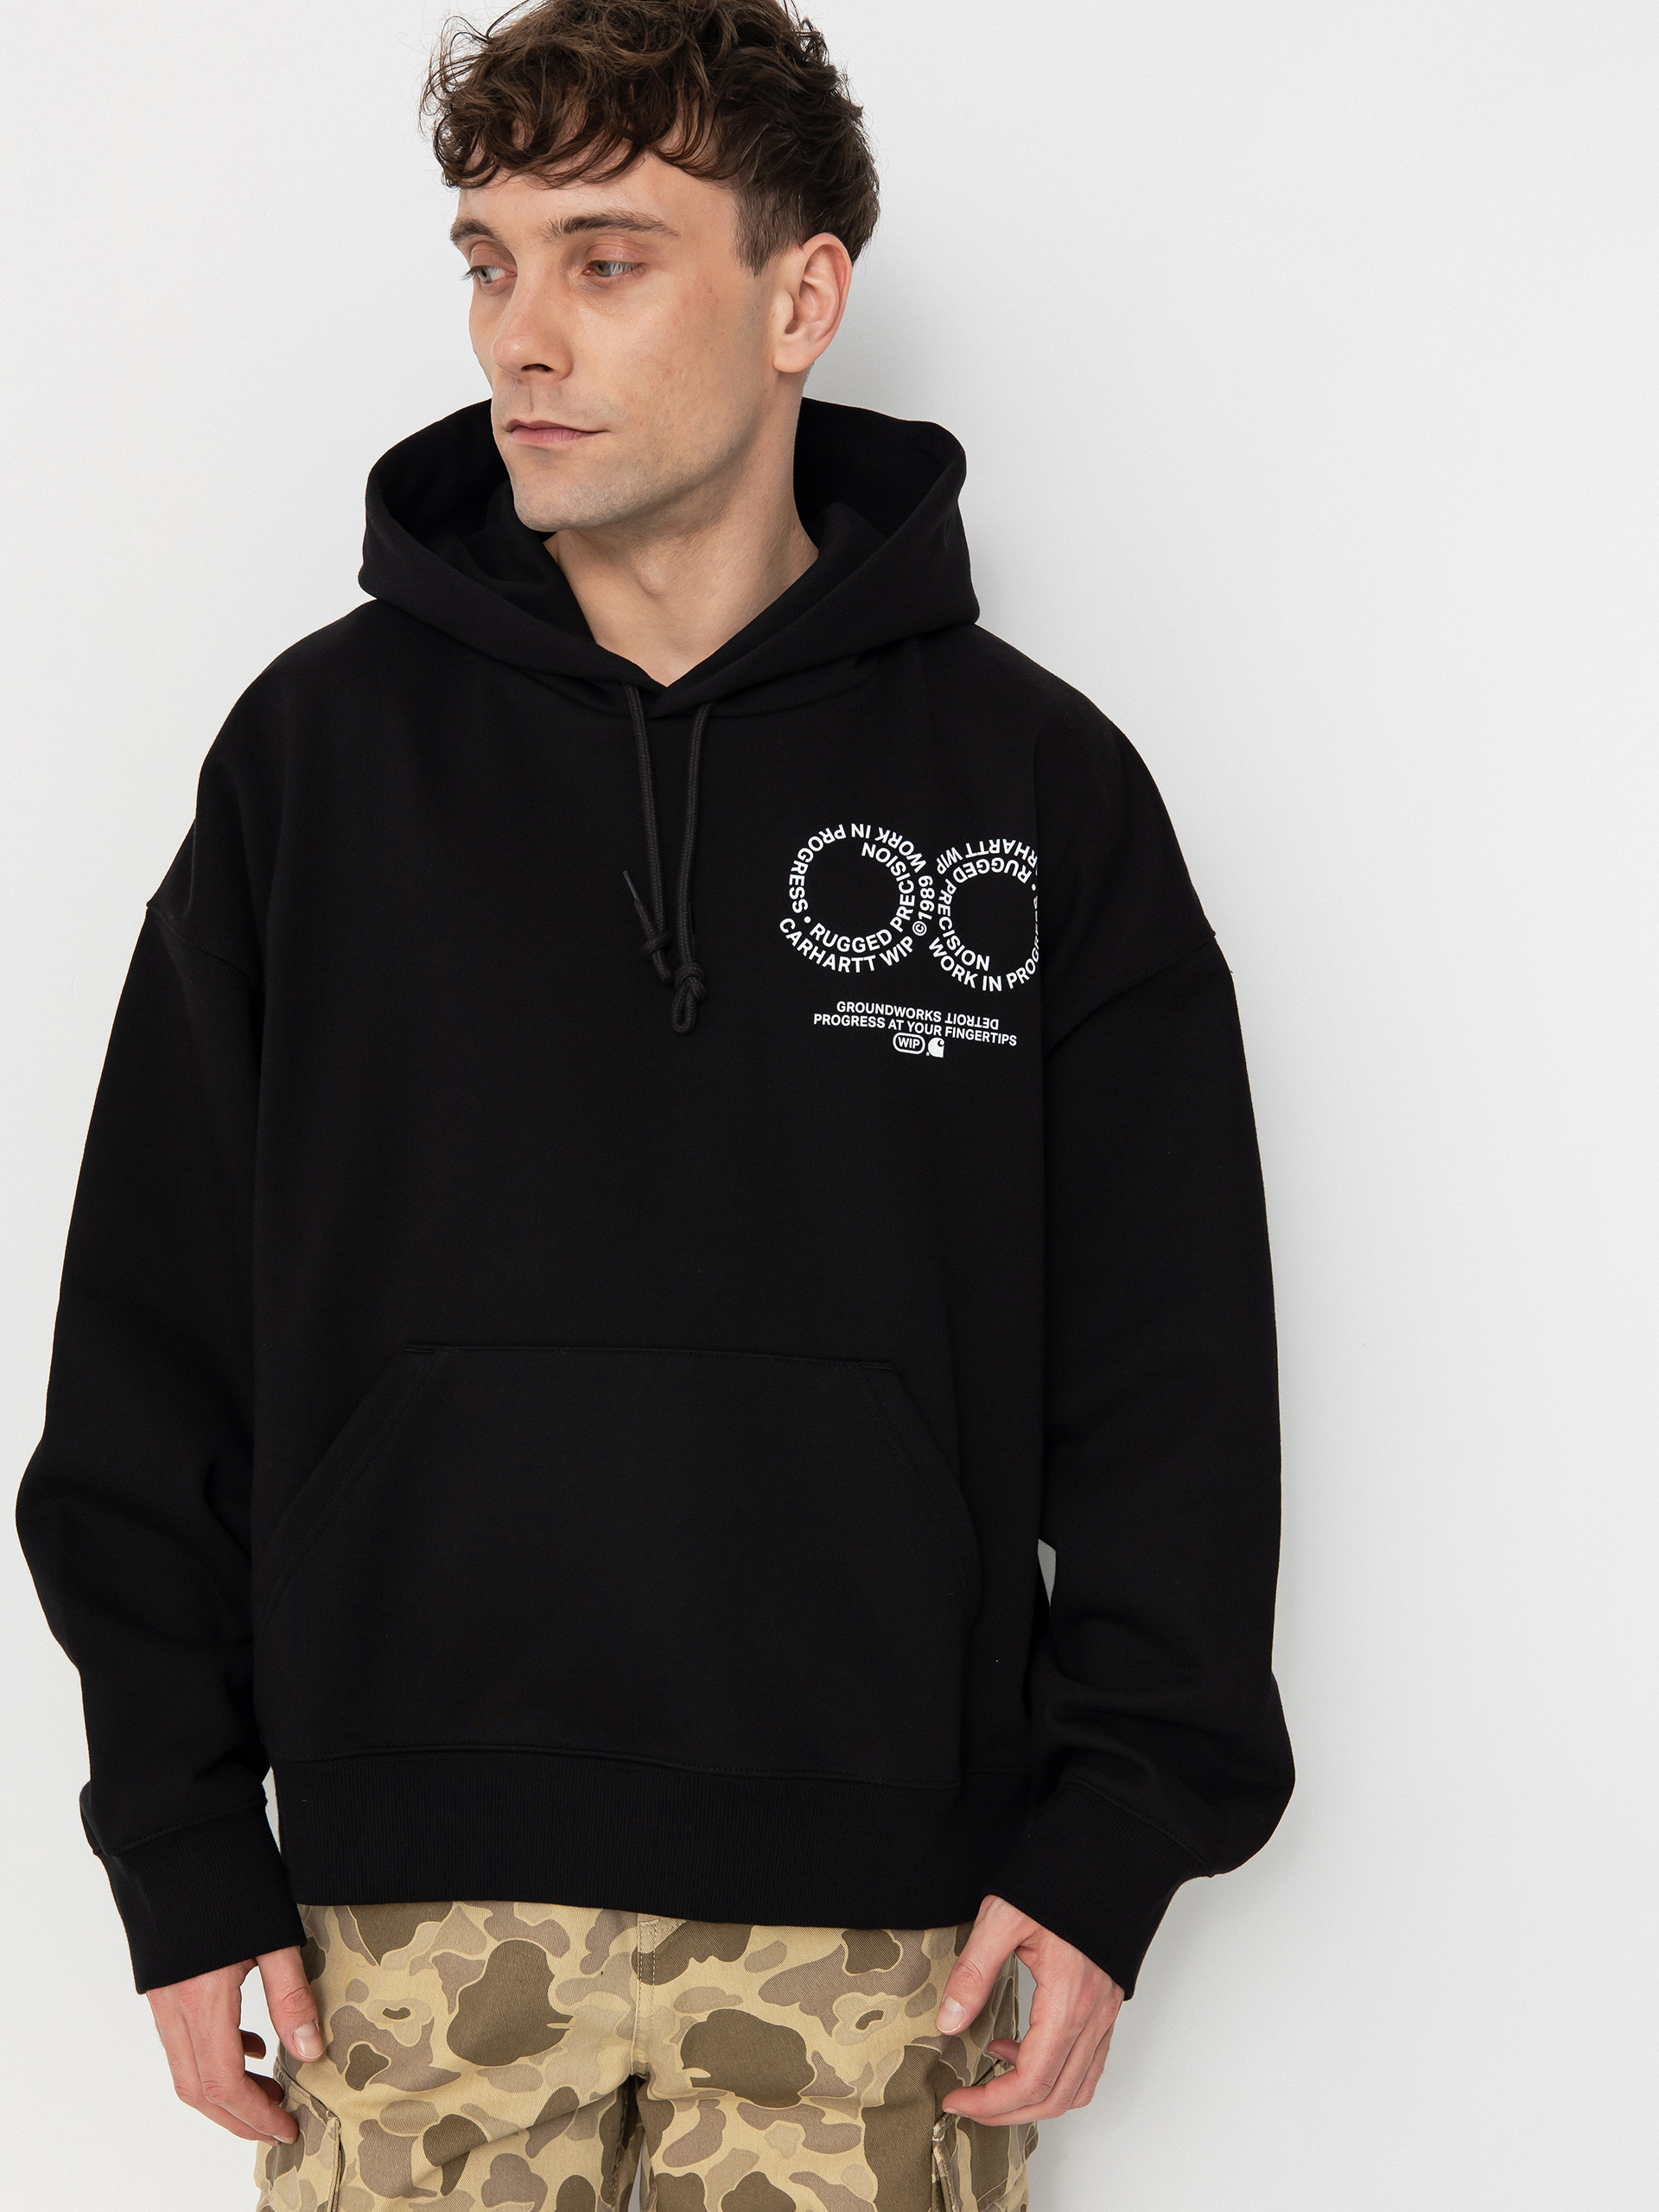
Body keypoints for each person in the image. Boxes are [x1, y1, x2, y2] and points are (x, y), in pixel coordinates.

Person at [16, 3, 1294, 2205]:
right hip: (396, 1925)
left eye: (606, 258)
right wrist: (180, 1835)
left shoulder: (1031, 787)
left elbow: (1174, 1371)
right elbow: (147, 1344)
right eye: (488, 261)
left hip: (889, 1931)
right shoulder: (316, 766)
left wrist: (1113, 1839)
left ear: (801, 297)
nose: (522, 334)